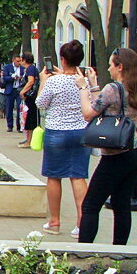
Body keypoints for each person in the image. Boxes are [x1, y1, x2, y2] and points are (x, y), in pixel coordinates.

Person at [76, 48, 137, 244]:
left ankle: (84, 252)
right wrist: (95, 86)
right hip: (135, 149)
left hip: (115, 153)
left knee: (90, 205)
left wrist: (83, 88)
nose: (108, 68)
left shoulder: (113, 89)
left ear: (120, 67)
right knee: (121, 204)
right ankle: (120, 251)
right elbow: (109, 106)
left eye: (111, 64)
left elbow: (89, 113)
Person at [36, 41, 90, 236]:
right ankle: (82, 223)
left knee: (54, 176)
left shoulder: (54, 81)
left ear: (62, 59)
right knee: (78, 176)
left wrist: (43, 81)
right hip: (80, 131)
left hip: (56, 132)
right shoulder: (84, 81)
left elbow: (40, 103)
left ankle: (55, 222)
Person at [19, 52, 40, 148]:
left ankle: (29, 141)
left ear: (24, 60)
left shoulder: (30, 69)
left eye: (21, 59)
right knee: (27, 117)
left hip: (31, 97)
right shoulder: (30, 69)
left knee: (30, 118)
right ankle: (28, 139)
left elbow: (31, 81)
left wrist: (22, 91)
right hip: (31, 97)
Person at [1, 55, 24, 133]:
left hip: (19, 90)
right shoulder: (8, 67)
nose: (19, 63)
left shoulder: (22, 68)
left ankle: (19, 126)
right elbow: (5, 77)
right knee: (9, 108)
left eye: (20, 61)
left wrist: (21, 77)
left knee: (19, 107)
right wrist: (12, 77)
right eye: (18, 61)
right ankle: (10, 126)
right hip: (10, 90)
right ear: (13, 60)